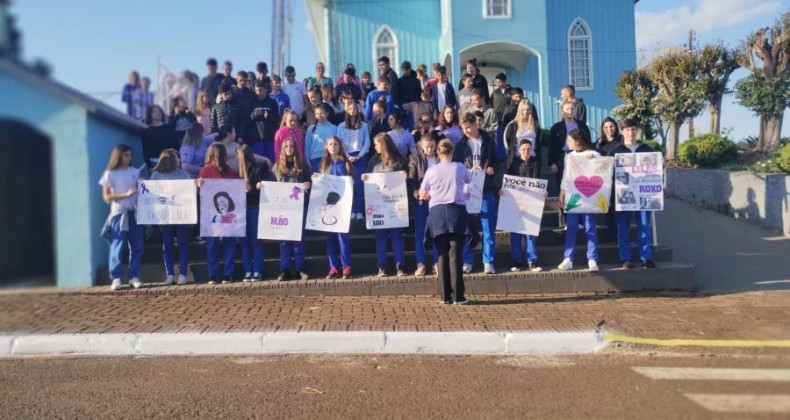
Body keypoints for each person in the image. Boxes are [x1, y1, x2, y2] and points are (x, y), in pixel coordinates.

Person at [419, 139, 471, 305]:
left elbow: (422, 192)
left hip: (437, 213)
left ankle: (445, 296)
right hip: (456, 211)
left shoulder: (432, 170)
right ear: (452, 151)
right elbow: (470, 183)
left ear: (438, 153)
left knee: (442, 254)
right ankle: (458, 296)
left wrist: (426, 196)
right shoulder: (460, 167)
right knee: (455, 255)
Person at [454, 112, 499, 275]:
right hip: (468, 191)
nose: (465, 130)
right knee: (465, 228)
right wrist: (467, 171)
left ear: (475, 125)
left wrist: (492, 169)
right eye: (463, 127)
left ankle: (488, 261)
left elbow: (496, 161)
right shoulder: (460, 145)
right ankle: (467, 260)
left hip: (486, 188)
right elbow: (457, 167)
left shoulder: (488, 141)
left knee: (488, 226)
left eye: (468, 127)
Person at [608, 118, 656, 269]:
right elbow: (608, 175)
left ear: (637, 130)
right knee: (623, 228)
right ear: (622, 132)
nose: (631, 133)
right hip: (623, 196)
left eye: (633, 129)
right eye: (627, 130)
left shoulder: (647, 150)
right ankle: (625, 258)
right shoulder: (615, 152)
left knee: (644, 226)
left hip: (643, 196)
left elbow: (654, 173)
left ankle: (646, 257)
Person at [364, 133, 409, 277]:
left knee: (397, 236)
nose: (375, 147)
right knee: (380, 236)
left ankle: (400, 265)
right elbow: (369, 178)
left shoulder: (399, 160)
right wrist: (364, 178)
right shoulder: (373, 161)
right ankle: (381, 266)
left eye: (377, 144)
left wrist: (405, 176)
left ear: (383, 144)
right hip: (379, 205)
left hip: (395, 205)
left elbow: (407, 178)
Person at [100, 144, 143, 291]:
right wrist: (125, 195)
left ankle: (134, 277)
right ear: (118, 155)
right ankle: (116, 278)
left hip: (134, 212)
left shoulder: (135, 172)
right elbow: (107, 196)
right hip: (118, 213)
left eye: (130, 155)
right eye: (126, 155)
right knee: (117, 245)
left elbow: (141, 191)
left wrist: (141, 185)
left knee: (137, 246)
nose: (129, 158)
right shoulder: (110, 174)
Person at [557, 129, 600, 272]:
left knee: (590, 227)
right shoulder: (569, 156)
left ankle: (592, 258)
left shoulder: (594, 154)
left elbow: (601, 172)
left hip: (589, 195)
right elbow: (566, 174)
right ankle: (568, 258)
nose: (567, 143)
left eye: (569, 140)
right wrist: (562, 190)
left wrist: (593, 162)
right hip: (572, 195)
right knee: (572, 226)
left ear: (578, 141)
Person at [272, 138, 313, 280]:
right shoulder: (277, 167)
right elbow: (271, 186)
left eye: (291, 146)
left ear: (295, 148)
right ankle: (285, 269)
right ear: (282, 148)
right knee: (284, 239)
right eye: (286, 146)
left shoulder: (303, 166)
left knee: (299, 239)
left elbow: (311, 183)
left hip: (299, 208)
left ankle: (300, 267)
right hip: (282, 209)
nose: (289, 148)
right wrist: (261, 186)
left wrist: (308, 185)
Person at [150, 149, 192, 285]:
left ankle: (180, 274)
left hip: (180, 214)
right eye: (177, 157)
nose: (180, 160)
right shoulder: (156, 175)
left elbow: (191, 192)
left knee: (176, 244)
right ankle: (173, 274)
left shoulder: (184, 174)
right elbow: (151, 194)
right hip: (166, 215)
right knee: (172, 244)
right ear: (172, 160)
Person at [198, 143, 238, 284]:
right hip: (211, 213)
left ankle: (227, 273)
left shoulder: (230, 171)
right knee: (213, 243)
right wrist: (198, 183)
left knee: (228, 242)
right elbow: (200, 190)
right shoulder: (206, 171)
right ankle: (214, 273)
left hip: (227, 214)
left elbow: (235, 191)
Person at [503, 139, 543, 272]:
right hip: (516, 201)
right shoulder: (513, 163)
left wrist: (543, 190)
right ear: (519, 150)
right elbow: (509, 180)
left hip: (531, 200)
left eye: (528, 149)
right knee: (515, 233)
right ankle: (517, 260)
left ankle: (532, 260)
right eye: (523, 149)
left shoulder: (536, 162)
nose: (526, 152)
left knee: (530, 232)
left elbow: (538, 180)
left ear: (532, 150)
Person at [318, 136, 354, 280]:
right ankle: (333, 267)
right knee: (330, 239)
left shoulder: (345, 163)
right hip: (328, 207)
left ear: (340, 146)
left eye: (336, 144)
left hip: (342, 207)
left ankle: (346, 266)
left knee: (343, 238)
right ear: (327, 146)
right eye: (331, 144)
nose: (333, 146)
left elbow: (352, 184)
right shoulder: (323, 164)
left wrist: (352, 181)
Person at [237, 144, 273, 282]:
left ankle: (258, 269)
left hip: (255, 208)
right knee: (245, 242)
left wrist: (259, 185)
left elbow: (265, 184)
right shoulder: (238, 174)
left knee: (256, 241)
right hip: (242, 210)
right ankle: (248, 269)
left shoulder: (257, 171)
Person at [408, 133, 441, 276]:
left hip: (438, 201)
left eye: (432, 147)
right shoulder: (415, 159)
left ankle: (437, 262)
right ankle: (420, 263)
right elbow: (411, 180)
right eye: (427, 147)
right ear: (422, 145)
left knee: (437, 233)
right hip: (421, 202)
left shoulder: (441, 159)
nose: (429, 149)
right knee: (420, 233)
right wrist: (418, 194)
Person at [336, 102, 370, 220]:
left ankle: (359, 210)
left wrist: (359, 156)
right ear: (346, 110)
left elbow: (367, 142)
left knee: (359, 185)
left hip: (360, 157)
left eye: (355, 108)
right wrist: (347, 156)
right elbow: (338, 143)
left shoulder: (364, 125)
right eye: (350, 108)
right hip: (346, 158)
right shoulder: (341, 126)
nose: (353, 110)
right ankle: (351, 210)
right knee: (349, 185)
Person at [548, 100, 591, 194]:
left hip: (580, 155)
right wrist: (552, 163)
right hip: (562, 156)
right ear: (562, 112)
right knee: (563, 182)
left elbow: (588, 142)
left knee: (580, 180)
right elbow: (552, 146)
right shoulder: (556, 127)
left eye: (572, 108)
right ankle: (563, 206)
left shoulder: (582, 125)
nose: (570, 111)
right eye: (567, 109)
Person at [503, 99, 541, 174]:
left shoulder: (535, 125)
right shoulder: (512, 125)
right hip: (516, 160)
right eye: (523, 110)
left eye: (528, 110)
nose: (525, 112)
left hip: (533, 161)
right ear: (519, 110)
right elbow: (507, 143)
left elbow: (538, 141)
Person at [248, 79, 281, 159]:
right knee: (258, 163)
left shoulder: (272, 103)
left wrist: (268, 117)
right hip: (257, 140)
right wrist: (253, 116)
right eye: (256, 90)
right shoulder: (252, 103)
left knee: (271, 163)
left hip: (270, 139)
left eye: (260, 90)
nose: (258, 92)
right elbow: (247, 122)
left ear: (265, 89)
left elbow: (277, 120)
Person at [142, 104, 177, 170]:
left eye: (159, 111)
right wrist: (149, 166)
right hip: (154, 164)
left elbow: (176, 146)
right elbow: (145, 151)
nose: (158, 113)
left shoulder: (169, 129)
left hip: (170, 162)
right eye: (154, 111)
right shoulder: (146, 132)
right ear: (150, 114)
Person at [305, 104, 338, 172]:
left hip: (330, 158)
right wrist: (307, 159)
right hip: (315, 159)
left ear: (327, 113)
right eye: (317, 114)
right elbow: (307, 145)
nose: (319, 116)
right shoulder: (311, 129)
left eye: (321, 113)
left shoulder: (334, 128)